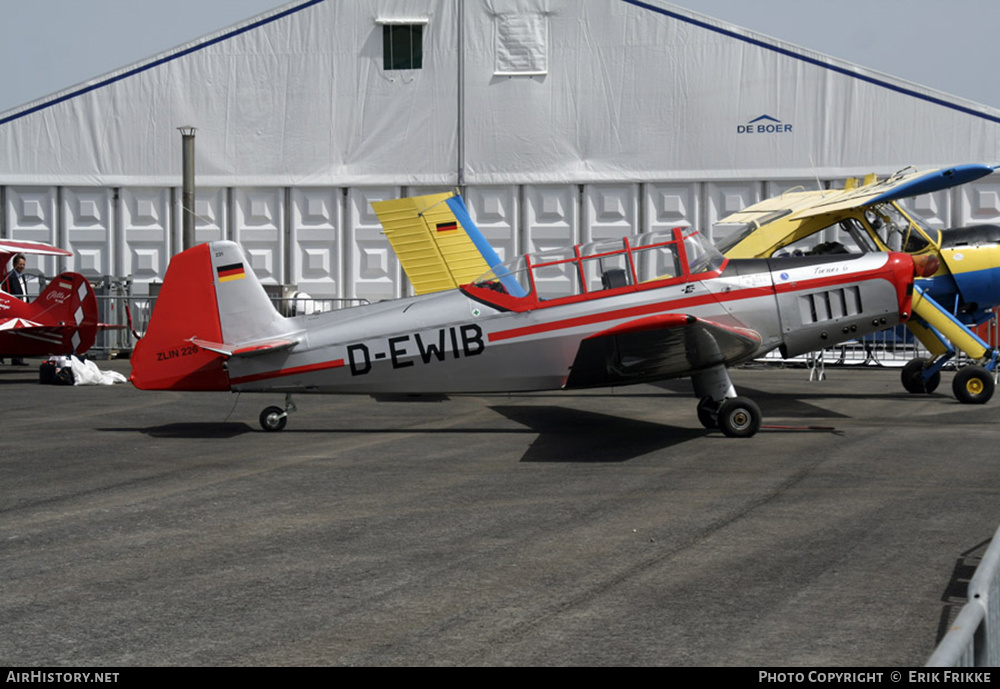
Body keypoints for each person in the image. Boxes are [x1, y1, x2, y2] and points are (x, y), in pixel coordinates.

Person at [2, 254, 31, 365]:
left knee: (21, 334)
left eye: (23, 265)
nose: (22, 266)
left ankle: (18, 359)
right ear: (14, 264)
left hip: (23, 308)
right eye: (20, 264)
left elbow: (24, 292)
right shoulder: (8, 277)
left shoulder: (23, 277)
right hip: (14, 309)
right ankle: (13, 358)